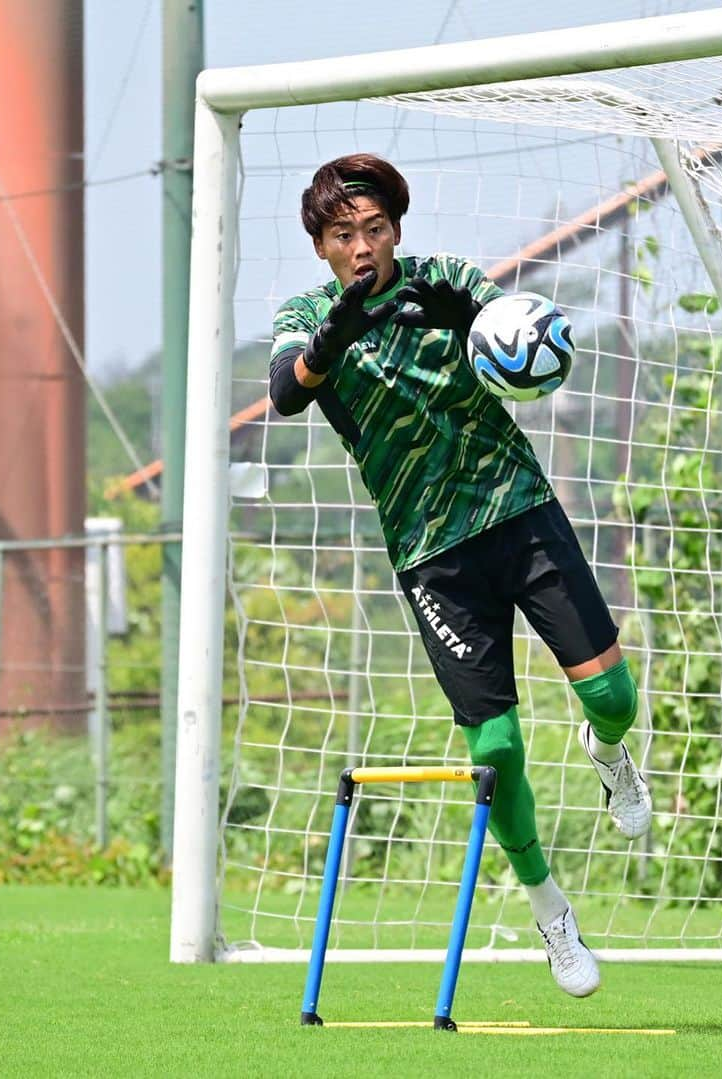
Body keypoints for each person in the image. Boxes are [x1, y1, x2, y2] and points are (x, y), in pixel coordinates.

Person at [268, 154, 652, 997]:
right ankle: (551, 910)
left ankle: (610, 749)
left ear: (396, 229)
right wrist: (336, 334)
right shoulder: (303, 315)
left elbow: (525, 340)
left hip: (520, 514)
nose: (362, 246)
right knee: (497, 745)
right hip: (433, 556)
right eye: (344, 235)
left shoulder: (443, 278)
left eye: (374, 229)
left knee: (614, 698)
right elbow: (286, 391)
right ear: (323, 248)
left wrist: (472, 313)